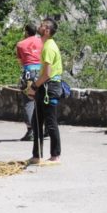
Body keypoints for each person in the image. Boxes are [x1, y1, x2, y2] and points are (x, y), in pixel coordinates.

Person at [28, 16, 64, 164]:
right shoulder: (48, 45)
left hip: (50, 87)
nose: (39, 26)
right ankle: (37, 156)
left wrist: (34, 86)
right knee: (37, 121)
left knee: (50, 122)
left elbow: (47, 74)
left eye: (42, 25)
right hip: (46, 86)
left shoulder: (49, 47)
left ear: (47, 31)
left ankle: (55, 156)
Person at [14, 20, 44, 141]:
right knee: (43, 100)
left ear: (26, 32)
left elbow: (21, 62)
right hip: (42, 72)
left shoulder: (20, 44)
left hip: (29, 73)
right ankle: (46, 128)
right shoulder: (42, 42)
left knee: (28, 101)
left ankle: (31, 130)